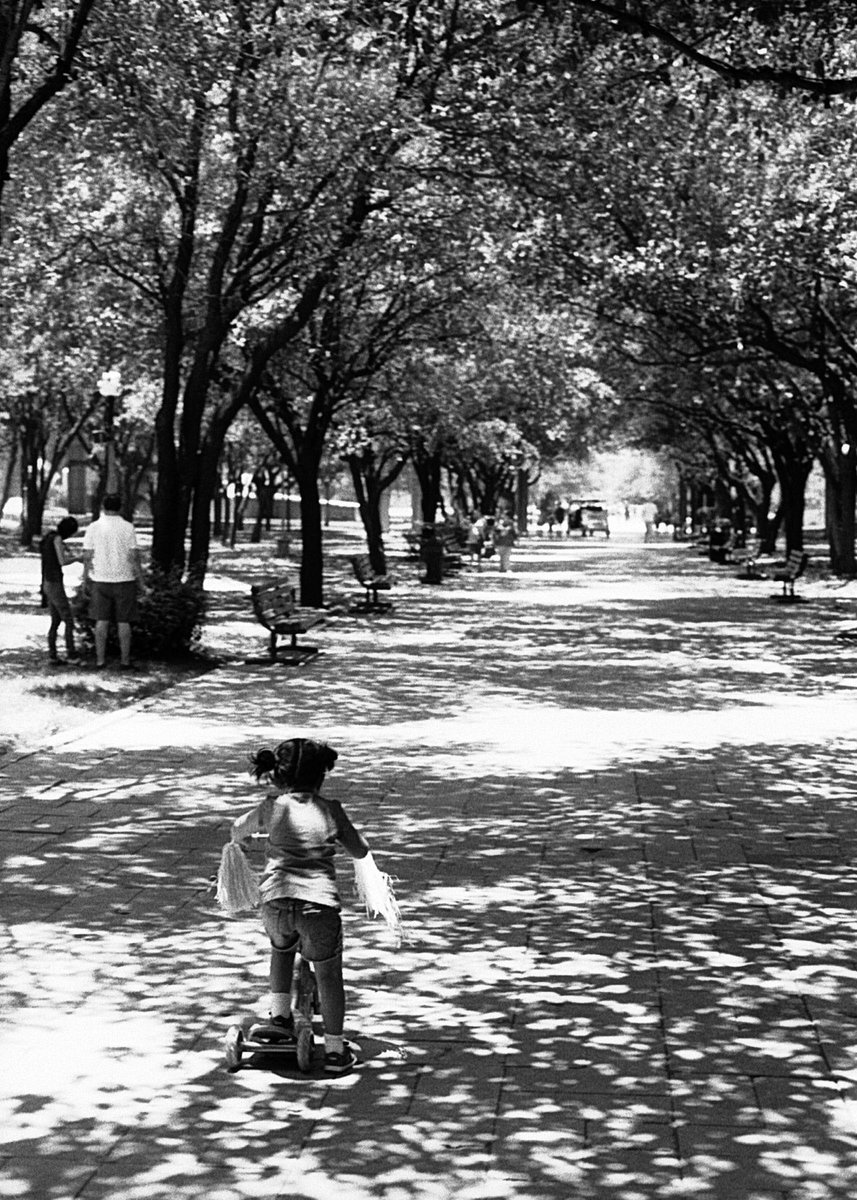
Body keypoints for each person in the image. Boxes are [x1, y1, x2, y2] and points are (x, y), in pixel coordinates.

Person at [229, 737, 370, 1074]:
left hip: (276, 902)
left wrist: (242, 841)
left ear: (279, 776)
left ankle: (279, 1019)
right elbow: (360, 850)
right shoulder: (329, 810)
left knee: (281, 951)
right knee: (329, 974)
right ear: (321, 776)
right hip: (318, 906)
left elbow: (236, 828)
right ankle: (335, 1050)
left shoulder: (271, 807)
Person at [82, 493, 145, 669]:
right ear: (120, 507)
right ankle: (125, 660)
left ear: (103, 506)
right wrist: (141, 581)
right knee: (124, 622)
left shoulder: (93, 527)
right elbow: (133, 556)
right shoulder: (128, 527)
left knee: (101, 621)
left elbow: (87, 556)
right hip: (124, 579)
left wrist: (85, 578)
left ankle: (100, 660)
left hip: (100, 578)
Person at [39, 515, 82, 666]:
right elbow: (62, 561)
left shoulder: (48, 537)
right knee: (68, 619)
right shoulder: (56, 539)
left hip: (47, 582)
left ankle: (53, 655)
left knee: (55, 620)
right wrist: (78, 558)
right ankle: (71, 653)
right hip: (54, 583)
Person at [492, 507, 517, 572]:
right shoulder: (499, 523)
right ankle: (502, 568)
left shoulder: (511, 523)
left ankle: (506, 568)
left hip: (508, 542)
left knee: (506, 556)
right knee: (502, 556)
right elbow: (495, 531)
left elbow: (514, 532)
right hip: (501, 542)